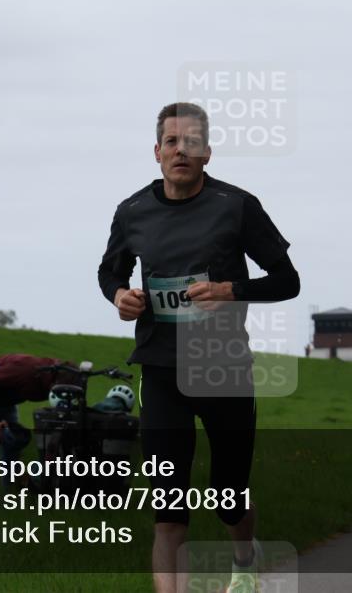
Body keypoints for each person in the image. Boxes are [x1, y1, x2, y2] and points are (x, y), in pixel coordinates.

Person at [98, 102, 300, 593]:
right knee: (168, 509)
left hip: (224, 369)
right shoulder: (132, 212)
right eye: (171, 142)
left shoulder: (237, 206)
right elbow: (110, 272)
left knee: (228, 495)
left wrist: (231, 290)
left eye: (191, 142)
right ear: (157, 152)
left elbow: (287, 281)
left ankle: (244, 562)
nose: (180, 150)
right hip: (161, 370)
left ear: (207, 152)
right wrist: (120, 296)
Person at [0, 354, 79, 493]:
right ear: (55, 382)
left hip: (6, 398)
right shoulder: (27, 370)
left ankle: (11, 494)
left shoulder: (59, 378)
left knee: (12, 445)